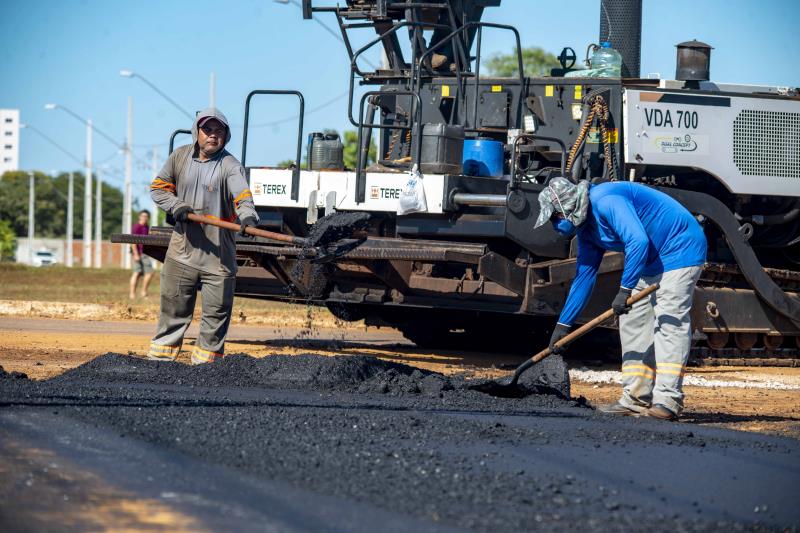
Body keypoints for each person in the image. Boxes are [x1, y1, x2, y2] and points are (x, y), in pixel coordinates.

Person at [535, 177, 707, 420]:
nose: (555, 225)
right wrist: (563, 326)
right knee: (633, 322)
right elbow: (584, 277)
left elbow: (638, 240)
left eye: (554, 218)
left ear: (566, 208)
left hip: (680, 248)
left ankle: (667, 401)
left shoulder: (606, 200)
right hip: (649, 261)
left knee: (669, 321)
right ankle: (635, 399)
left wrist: (625, 289)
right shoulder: (586, 231)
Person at [148, 108, 258, 365]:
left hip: (218, 259)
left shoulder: (230, 166)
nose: (212, 135)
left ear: (226, 136)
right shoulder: (179, 157)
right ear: (196, 132)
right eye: (207, 129)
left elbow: (243, 197)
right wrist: (176, 206)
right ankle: (158, 364)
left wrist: (248, 217)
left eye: (219, 131)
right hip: (181, 253)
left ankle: (207, 369)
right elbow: (158, 189)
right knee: (173, 311)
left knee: (216, 318)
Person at [129, 210, 155, 299]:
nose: (144, 218)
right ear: (139, 217)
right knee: (137, 273)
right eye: (143, 216)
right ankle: (133, 294)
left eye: (146, 216)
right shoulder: (136, 227)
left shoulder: (147, 227)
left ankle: (143, 292)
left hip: (145, 253)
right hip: (138, 253)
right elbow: (133, 241)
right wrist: (136, 254)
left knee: (148, 272)